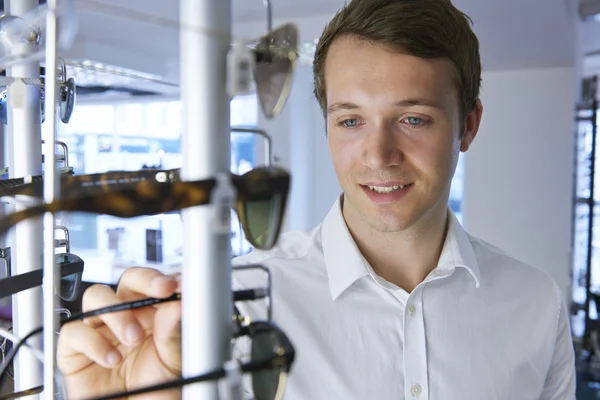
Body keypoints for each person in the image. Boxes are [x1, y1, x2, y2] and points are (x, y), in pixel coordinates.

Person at [56, 0, 577, 398]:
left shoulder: (535, 306)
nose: (378, 154)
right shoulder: (229, 305)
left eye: (413, 118)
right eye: (350, 120)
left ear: (468, 125)